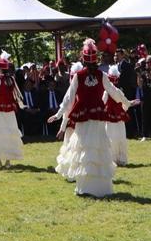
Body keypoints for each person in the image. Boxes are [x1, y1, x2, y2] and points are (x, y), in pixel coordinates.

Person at [48, 39, 138, 197]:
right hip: (97, 116)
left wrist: (59, 114)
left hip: (83, 117)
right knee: (98, 147)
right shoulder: (101, 75)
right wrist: (127, 102)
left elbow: (68, 98)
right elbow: (114, 92)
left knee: (84, 149)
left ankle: (86, 187)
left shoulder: (78, 76)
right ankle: (100, 187)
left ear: (83, 59)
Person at [55, 62, 82, 181]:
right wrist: (62, 128)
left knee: (77, 149)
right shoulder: (72, 93)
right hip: (73, 125)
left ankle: (78, 171)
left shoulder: (78, 93)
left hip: (81, 124)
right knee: (72, 148)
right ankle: (73, 171)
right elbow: (66, 111)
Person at [103, 65, 130, 166]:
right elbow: (126, 104)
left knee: (111, 137)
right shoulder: (119, 92)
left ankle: (111, 159)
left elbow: (102, 103)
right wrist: (122, 110)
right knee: (120, 137)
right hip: (119, 117)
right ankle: (121, 158)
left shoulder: (106, 92)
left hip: (109, 118)